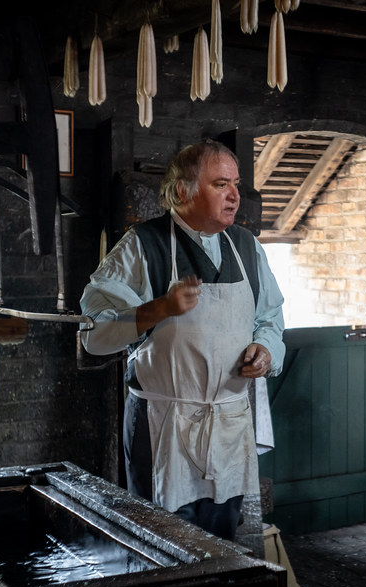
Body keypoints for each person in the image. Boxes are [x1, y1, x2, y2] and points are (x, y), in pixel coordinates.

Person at [79, 140, 285, 541]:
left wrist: (266, 350)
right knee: (164, 545)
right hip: (163, 429)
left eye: (236, 184)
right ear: (181, 192)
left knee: (222, 546)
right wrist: (159, 309)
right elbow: (94, 333)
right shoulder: (143, 246)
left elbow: (270, 320)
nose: (234, 195)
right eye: (220, 184)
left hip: (227, 428)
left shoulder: (246, 248)